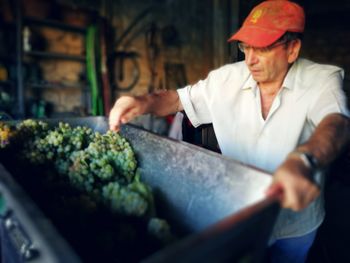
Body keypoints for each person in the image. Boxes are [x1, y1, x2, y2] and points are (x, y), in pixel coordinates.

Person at [109, 1, 350, 262]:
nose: (250, 59)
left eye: (263, 48)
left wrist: (306, 158)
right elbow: (177, 100)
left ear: (292, 50)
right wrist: (140, 102)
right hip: (240, 213)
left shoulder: (321, 79)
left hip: (296, 223)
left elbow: (336, 121)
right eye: (245, 47)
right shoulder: (226, 79)